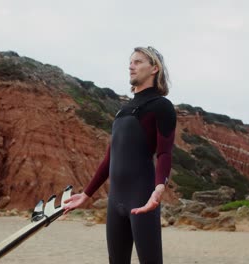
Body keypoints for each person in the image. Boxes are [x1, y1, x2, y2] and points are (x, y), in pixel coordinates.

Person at [63, 46, 176, 264]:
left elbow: (164, 152)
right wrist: (86, 194)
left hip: (142, 196)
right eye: (130, 62)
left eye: (138, 62)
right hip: (115, 201)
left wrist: (159, 187)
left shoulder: (161, 106)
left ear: (154, 68)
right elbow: (109, 159)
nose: (131, 66)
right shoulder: (122, 110)